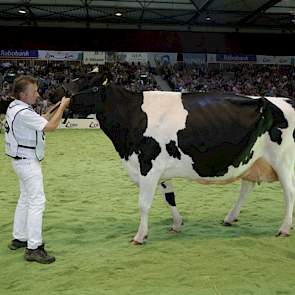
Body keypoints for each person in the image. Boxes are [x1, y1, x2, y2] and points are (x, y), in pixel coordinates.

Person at [4, 75, 70, 264]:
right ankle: (33, 247)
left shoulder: (15, 107)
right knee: (36, 202)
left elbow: (40, 119)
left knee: (25, 198)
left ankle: (19, 237)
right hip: (27, 162)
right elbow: (50, 126)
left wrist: (56, 107)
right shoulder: (24, 112)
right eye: (34, 91)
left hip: (19, 161)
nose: (37, 94)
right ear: (24, 94)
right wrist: (63, 107)